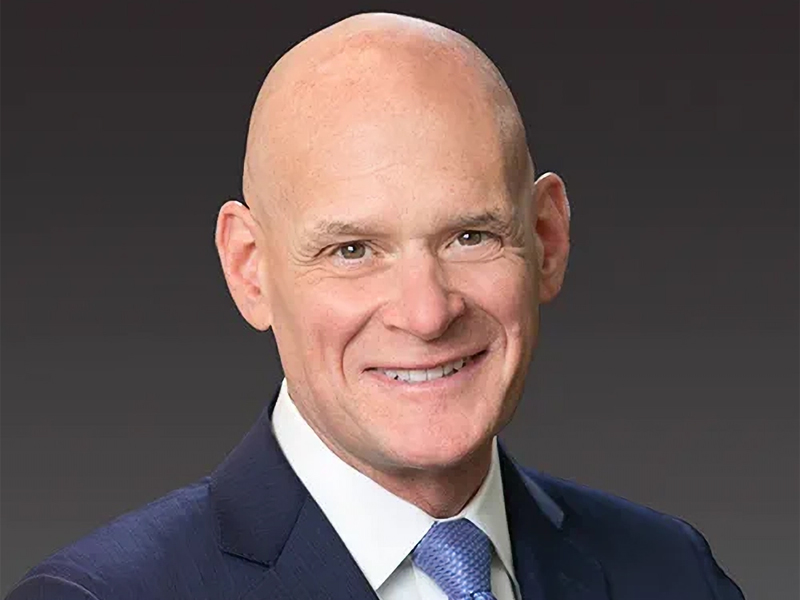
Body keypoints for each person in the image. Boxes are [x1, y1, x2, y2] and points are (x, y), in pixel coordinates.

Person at [7, 12, 744, 600]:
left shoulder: (673, 573)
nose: (426, 314)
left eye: (470, 236)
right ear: (250, 269)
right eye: (353, 250)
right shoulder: (106, 594)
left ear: (546, 239)